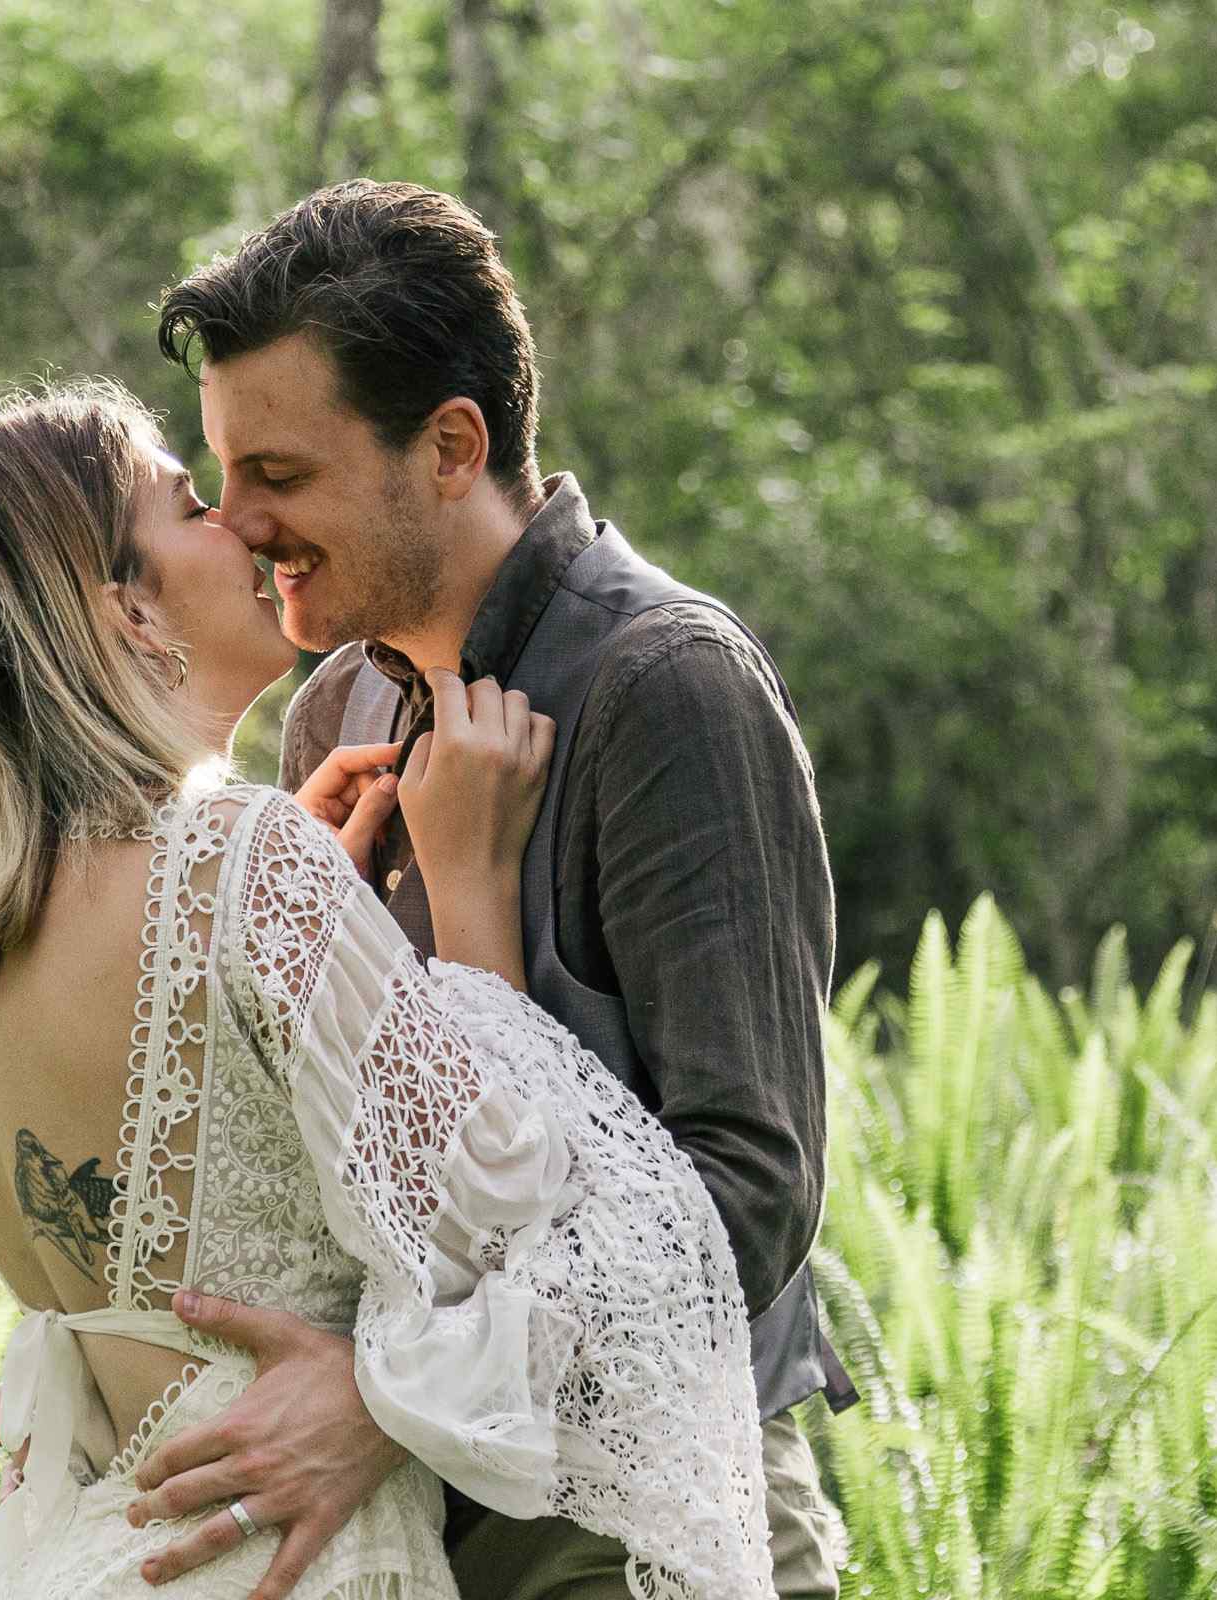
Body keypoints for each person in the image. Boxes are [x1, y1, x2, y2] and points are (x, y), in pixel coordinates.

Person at [0, 380, 777, 1599]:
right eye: (188, 504)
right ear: (125, 603)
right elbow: (501, 1207)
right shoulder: (238, 860)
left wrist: (309, 931)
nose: (240, 521)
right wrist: (464, 878)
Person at [122, 180, 855, 1600]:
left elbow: (750, 1195)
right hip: (422, 1535)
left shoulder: (666, 688)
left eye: (280, 474)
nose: (240, 523)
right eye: (222, 476)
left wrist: (381, 1406)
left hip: (644, 1517)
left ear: (451, 446)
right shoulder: (333, 707)